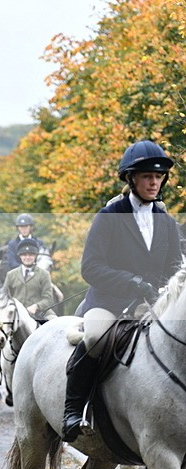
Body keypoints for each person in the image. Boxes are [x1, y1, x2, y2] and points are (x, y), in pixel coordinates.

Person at [61, 140, 182, 442]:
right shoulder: (109, 216)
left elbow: (174, 266)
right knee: (94, 337)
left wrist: (162, 288)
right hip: (110, 301)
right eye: (146, 176)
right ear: (131, 179)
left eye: (158, 177)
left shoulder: (166, 222)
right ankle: (75, 409)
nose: (154, 182)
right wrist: (130, 282)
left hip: (153, 304)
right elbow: (91, 267)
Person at [1, 238, 57, 321]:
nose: (27, 257)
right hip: (16, 315)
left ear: (35, 256)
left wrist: (37, 306)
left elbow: (48, 299)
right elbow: (4, 297)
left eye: (31, 255)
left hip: (40, 313)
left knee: (55, 325)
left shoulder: (44, 274)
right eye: (24, 255)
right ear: (20, 256)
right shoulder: (11, 275)